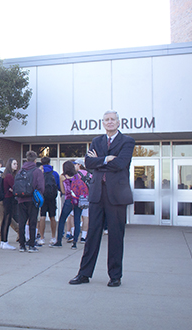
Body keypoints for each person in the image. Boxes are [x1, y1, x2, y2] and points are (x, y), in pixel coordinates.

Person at [69, 110, 135, 287]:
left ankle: (115, 276)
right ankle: (84, 274)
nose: (110, 122)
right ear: (103, 123)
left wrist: (99, 161)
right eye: (106, 120)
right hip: (97, 194)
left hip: (117, 196)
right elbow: (88, 163)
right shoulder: (97, 141)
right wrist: (105, 159)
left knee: (115, 236)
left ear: (119, 122)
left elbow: (121, 163)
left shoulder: (127, 141)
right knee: (92, 235)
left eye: (113, 119)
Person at [15, 151, 44, 252]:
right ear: (35, 160)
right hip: (32, 199)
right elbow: (41, 187)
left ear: (26, 159)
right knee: (33, 222)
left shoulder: (20, 171)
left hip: (21, 199)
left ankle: (22, 245)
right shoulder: (37, 171)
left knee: (22, 222)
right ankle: (31, 245)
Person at [51, 161, 83, 249]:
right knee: (77, 220)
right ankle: (75, 243)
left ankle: (59, 241)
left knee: (62, 220)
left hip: (69, 200)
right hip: (78, 199)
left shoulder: (62, 176)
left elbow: (63, 191)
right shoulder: (78, 176)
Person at [38, 157, 60, 246]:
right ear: (49, 162)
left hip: (42, 197)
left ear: (42, 163)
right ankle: (53, 237)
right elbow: (58, 186)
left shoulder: (40, 173)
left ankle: (42, 238)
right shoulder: (54, 173)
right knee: (53, 217)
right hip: (52, 198)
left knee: (42, 217)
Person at [0, 158, 19, 249]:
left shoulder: (6, 175)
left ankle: (3, 241)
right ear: (10, 165)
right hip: (8, 199)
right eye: (14, 164)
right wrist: (13, 190)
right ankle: (4, 241)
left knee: (5, 220)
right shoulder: (9, 176)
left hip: (6, 199)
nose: (16, 165)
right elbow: (15, 187)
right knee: (7, 219)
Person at [74, 159, 91, 243]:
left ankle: (74, 235)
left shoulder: (76, 175)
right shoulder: (90, 174)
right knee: (86, 217)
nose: (74, 166)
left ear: (79, 165)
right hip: (87, 197)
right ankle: (84, 236)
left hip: (78, 197)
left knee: (76, 216)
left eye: (75, 164)